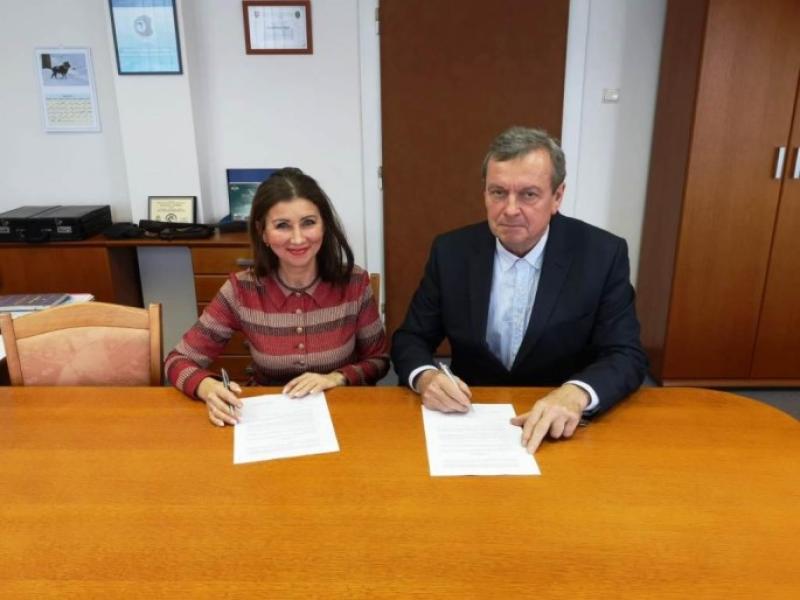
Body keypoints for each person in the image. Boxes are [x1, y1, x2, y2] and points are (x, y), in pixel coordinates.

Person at [391, 126, 647, 452]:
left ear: (557, 197)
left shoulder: (602, 254)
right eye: (498, 192)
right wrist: (426, 377)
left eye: (528, 195)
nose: (510, 209)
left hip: (562, 426)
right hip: (470, 418)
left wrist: (577, 393)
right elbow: (410, 338)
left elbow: (626, 354)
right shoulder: (451, 251)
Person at [166, 167, 389, 426]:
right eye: (282, 225)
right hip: (266, 420)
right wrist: (206, 387)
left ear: (324, 225)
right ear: (263, 232)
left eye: (309, 222)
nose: (298, 238)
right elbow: (177, 361)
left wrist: (336, 378)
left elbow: (379, 360)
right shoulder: (241, 290)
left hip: (340, 415)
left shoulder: (354, 283)